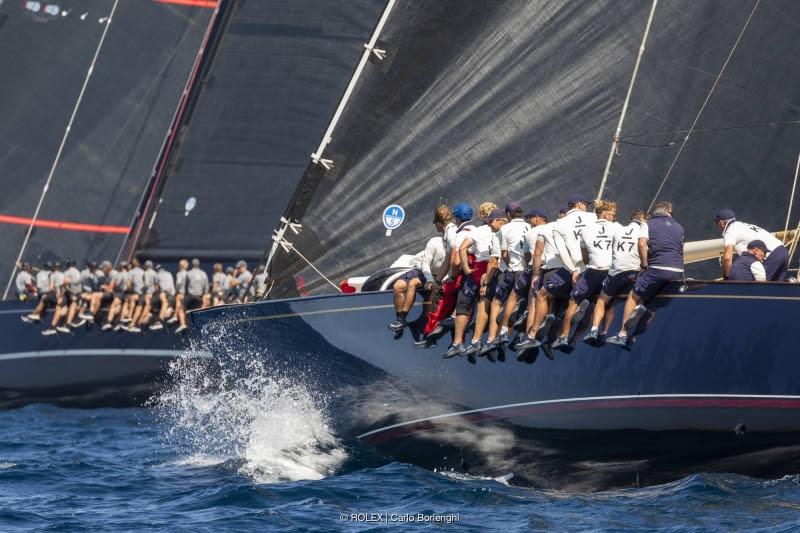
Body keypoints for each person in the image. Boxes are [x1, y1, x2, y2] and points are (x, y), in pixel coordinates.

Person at [520, 194, 596, 350]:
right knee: (595, 303)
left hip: (572, 269)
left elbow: (562, 252)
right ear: (580, 205)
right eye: (585, 204)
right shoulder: (594, 217)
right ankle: (573, 338)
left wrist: (573, 270)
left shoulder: (559, 224)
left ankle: (532, 334)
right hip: (595, 269)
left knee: (542, 294)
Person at [608, 201, 684, 346]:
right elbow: (679, 249)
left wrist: (644, 264)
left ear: (656, 212)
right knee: (653, 308)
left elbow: (642, 244)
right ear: (668, 212)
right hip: (678, 272)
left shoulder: (647, 224)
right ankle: (634, 338)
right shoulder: (680, 228)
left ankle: (622, 334)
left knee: (633, 295)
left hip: (658, 269)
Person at [552, 199, 620, 350]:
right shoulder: (617, 228)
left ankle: (563, 336)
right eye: (612, 214)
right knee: (607, 302)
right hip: (611, 272)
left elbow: (584, 256)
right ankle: (599, 332)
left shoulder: (586, 230)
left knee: (573, 301)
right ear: (604, 213)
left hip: (593, 271)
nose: (614, 217)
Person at [444, 203, 502, 361]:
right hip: (497, 270)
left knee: (463, 305)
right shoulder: (504, 230)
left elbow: (462, 249)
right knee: (487, 305)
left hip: (479, 269)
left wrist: (466, 269)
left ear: (483, 216)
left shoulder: (479, 230)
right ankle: (485, 341)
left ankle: (458, 343)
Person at [583, 209, 648, 345]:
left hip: (616, 272)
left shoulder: (618, 230)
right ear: (642, 220)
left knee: (602, 300)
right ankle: (622, 333)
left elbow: (612, 249)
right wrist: (644, 265)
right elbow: (644, 247)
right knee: (631, 298)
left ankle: (594, 330)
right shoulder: (643, 229)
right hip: (633, 272)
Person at [479, 202, 530, 356]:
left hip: (513, 271)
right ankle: (510, 336)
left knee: (497, 302)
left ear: (507, 215)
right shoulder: (530, 226)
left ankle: (492, 339)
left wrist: (511, 265)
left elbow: (503, 255)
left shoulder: (504, 229)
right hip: (528, 271)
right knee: (517, 304)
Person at [389, 205, 450, 331]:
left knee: (412, 284)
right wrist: (429, 279)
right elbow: (425, 262)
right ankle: (400, 319)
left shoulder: (456, 242)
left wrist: (438, 280)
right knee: (397, 286)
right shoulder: (434, 242)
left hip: (438, 276)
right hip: (422, 271)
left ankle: (404, 320)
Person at [421, 203, 474, 342]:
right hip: (474, 271)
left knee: (440, 296)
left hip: (464, 272)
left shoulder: (452, 232)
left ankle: (429, 332)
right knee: (460, 304)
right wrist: (440, 278)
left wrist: (447, 278)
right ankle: (458, 341)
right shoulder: (474, 229)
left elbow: (454, 259)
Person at [715, 209, 787, 281]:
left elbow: (727, 258)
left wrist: (726, 277)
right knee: (776, 289)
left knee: (759, 288)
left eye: (717, 224)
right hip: (783, 251)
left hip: (771, 255)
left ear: (721, 223)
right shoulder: (744, 225)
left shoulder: (730, 230)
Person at [41, 262, 67, 335]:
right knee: (63, 308)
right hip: (64, 296)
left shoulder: (52, 275)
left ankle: (52, 328)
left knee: (57, 308)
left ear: (54, 267)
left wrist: (58, 294)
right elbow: (65, 286)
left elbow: (51, 288)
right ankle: (64, 324)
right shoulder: (63, 274)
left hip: (59, 296)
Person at [154, 264, 176, 330]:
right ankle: (170, 310)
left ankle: (159, 320)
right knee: (167, 309)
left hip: (164, 293)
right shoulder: (169, 274)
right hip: (172, 294)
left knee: (164, 303)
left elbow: (156, 288)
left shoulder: (157, 275)